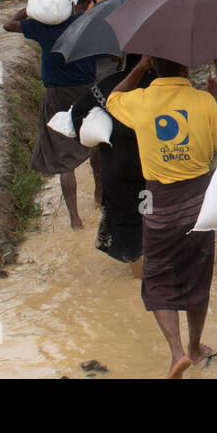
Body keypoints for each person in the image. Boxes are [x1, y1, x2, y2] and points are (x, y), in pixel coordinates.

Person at [107, 54, 217, 378]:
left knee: (158, 274)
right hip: (198, 201)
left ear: (155, 67)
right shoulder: (203, 100)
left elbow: (112, 99)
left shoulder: (142, 99)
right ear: (185, 68)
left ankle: (176, 352)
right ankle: (194, 346)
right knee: (198, 273)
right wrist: (215, 103)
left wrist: (138, 67)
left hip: (157, 201)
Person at [2, 0, 100, 230]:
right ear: (85, 0)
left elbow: (8, 24)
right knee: (96, 143)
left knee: (62, 154)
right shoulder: (87, 24)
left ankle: (75, 219)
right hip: (87, 92)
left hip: (57, 94)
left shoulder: (43, 27)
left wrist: (30, 8)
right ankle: (100, 194)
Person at [70, 54, 151, 277]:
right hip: (156, 170)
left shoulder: (107, 86)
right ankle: (151, 274)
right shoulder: (161, 85)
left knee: (127, 224)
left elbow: (77, 115)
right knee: (153, 220)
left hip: (119, 170)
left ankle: (138, 276)